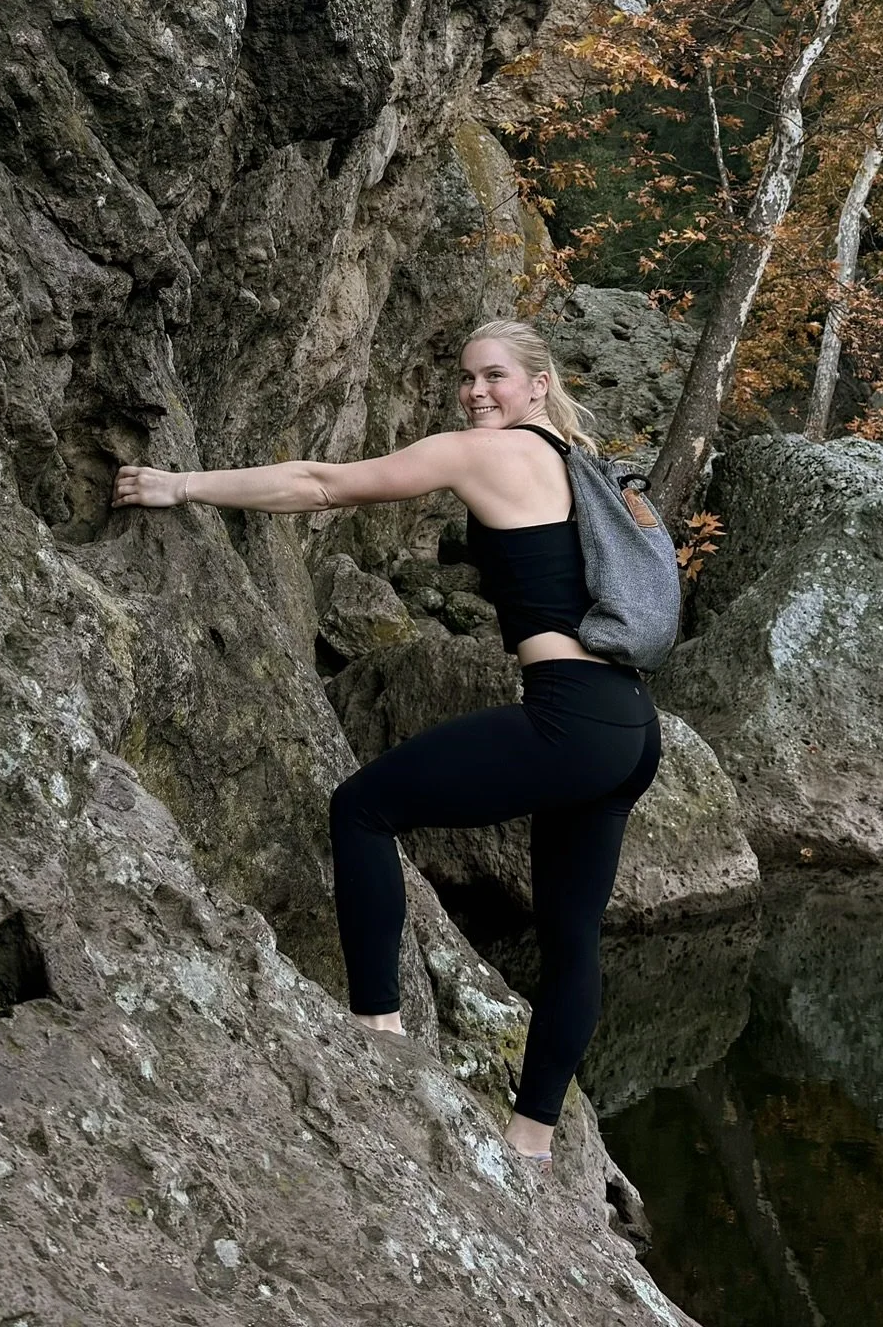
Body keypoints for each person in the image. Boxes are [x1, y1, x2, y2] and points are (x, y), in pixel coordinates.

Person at [112, 320, 661, 1164]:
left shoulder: (492, 454)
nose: (477, 392)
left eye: (496, 376)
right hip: (630, 730)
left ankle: (377, 1030)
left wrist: (182, 485)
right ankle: (531, 1141)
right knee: (571, 937)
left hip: (571, 717)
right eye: (466, 378)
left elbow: (323, 482)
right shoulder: (589, 467)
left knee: (362, 809)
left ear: (538, 385)